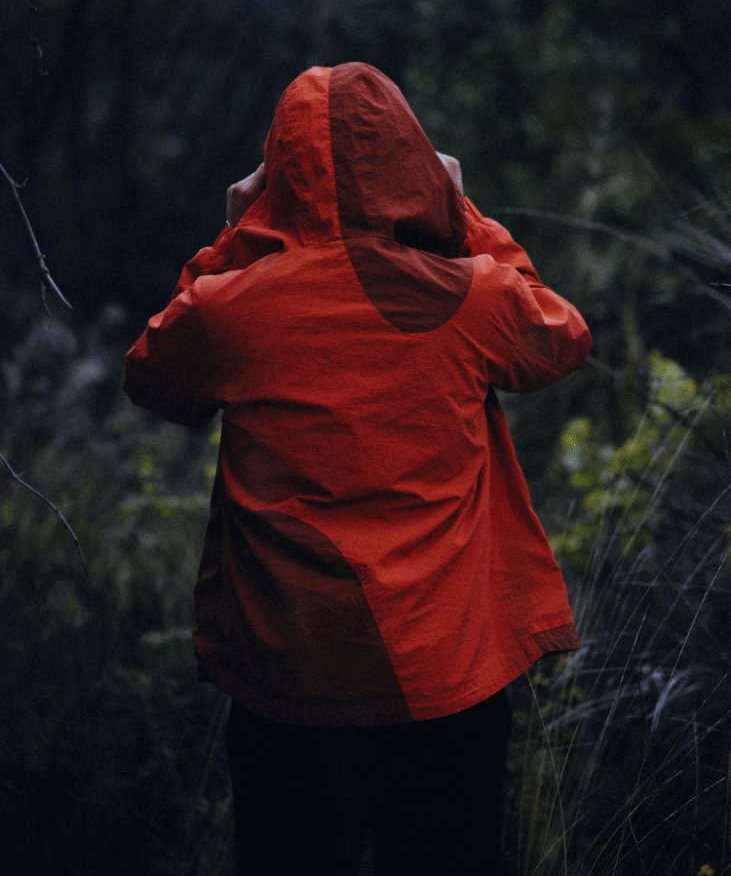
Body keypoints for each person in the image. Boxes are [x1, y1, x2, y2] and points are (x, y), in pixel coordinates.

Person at [123, 62, 591, 875]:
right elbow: (559, 336)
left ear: (278, 174)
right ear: (413, 163)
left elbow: (153, 377)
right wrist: (462, 213)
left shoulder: (231, 307)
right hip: (444, 672)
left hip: (288, 674)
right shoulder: (471, 297)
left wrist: (236, 233)